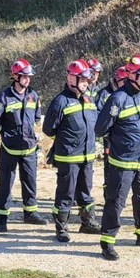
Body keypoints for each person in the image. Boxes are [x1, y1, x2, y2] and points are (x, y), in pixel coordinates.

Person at [95, 54, 140, 261]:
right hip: (122, 163)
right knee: (116, 202)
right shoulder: (117, 99)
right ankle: (107, 242)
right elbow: (100, 128)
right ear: (132, 74)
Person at [42, 59, 101, 243]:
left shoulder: (89, 99)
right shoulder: (60, 101)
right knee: (66, 193)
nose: (85, 83)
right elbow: (48, 129)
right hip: (68, 157)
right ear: (70, 78)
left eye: (87, 80)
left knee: (85, 191)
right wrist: (67, 141)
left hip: (87, 155)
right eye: (82, 80)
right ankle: (61, 227)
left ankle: (88, 223)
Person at [0, 59, 48, 233]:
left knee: (30, 182)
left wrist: (32, 134)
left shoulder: (33, 96)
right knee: (6, 184)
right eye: (24, 76)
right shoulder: (4, 97)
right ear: (15, 76)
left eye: (29, 77)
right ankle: (1, 218)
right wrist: (6, 134)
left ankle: (30, 214)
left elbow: (36, 118)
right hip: (9, 149)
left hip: (29, 149)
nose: (27, 80)